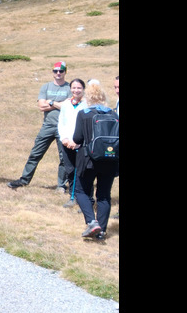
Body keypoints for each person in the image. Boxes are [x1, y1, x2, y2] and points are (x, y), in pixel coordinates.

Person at [8, 62, 71, 190]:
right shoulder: (46, 87)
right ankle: (24, 180)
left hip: (64, 128)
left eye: (61, 71)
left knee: (64, 157)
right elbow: (41, 106)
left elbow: (68, 106)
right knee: (35, 154)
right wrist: (59, 104)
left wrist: (51, 102)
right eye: (55, 71)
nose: (58, 73)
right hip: (47, 126)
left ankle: (61, 185)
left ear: (65, 72)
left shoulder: (70, 88)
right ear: (52, 72)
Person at [70, 82, 119, 240]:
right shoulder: (114, 115)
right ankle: (102, 232)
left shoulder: (84, 114)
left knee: (81, 191)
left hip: (88, 158)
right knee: (104, 195)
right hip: (110, 158)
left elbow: (77, 138)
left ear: (88, 98)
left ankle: (92, 222)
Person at [58, 79, 87, 206]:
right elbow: (61, 123)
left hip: (81, 144)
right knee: (70, 170)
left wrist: (78, 142)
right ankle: (72, 196)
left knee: (82, 171)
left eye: (79, 88)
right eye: (74, 88)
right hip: (66, 142)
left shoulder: (87, 105)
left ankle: (85, 198)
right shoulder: (66, 104)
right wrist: (64, 138)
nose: (76, 90)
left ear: (83, 89)